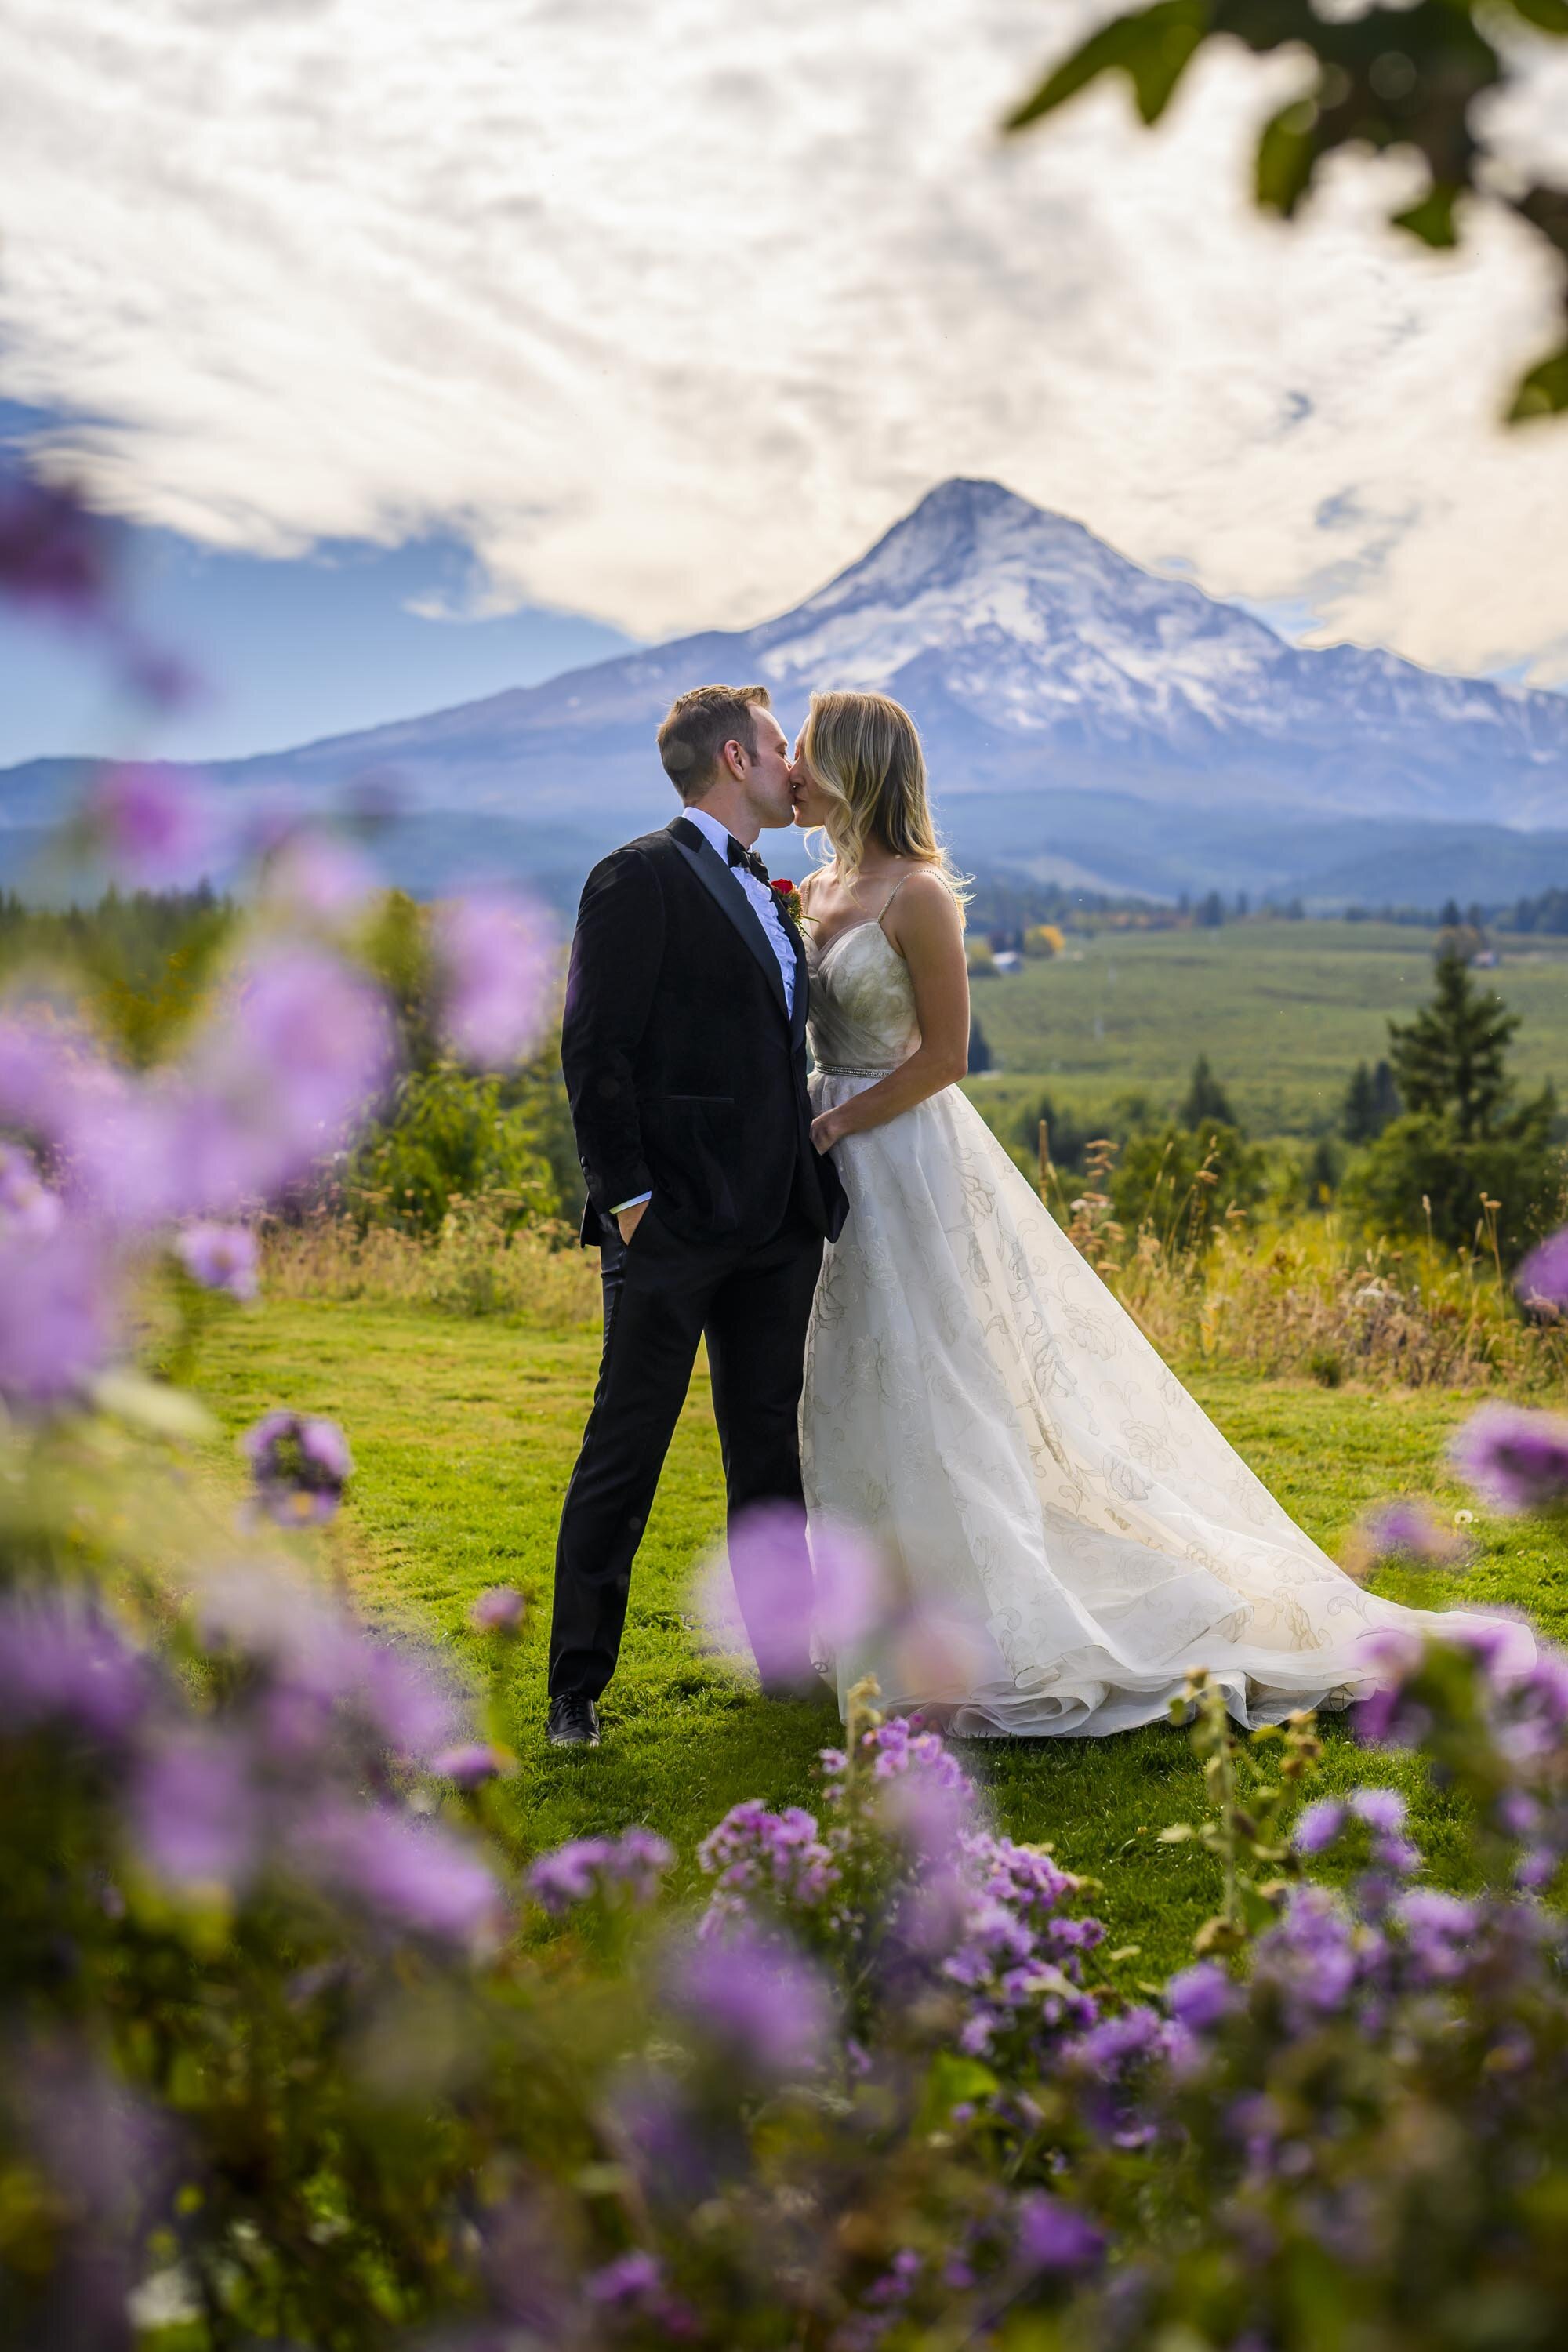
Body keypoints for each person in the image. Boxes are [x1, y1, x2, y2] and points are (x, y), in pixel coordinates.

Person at [790, 689, 1529, 1734]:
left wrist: (837, 1123)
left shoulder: (918, 895)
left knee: (935, 1378)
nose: (792, 772)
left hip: (898, 1153)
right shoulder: (814, 885)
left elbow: (949, 1058)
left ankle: (977, 1632)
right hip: (824, 1149)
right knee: (847, 1383)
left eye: (809, 755)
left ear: (854, 767)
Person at [546, 683, 848, 1747]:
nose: (792, 766)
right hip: (669, 1228)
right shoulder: (635, 877)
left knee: (769, 1448)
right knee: (626, 1446)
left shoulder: (772, 895)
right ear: (735, 757)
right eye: (777, 747)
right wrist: (629, 1205)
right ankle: (575, 1687)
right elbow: (595, 1053)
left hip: (778, 1226)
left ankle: (783, 1660)